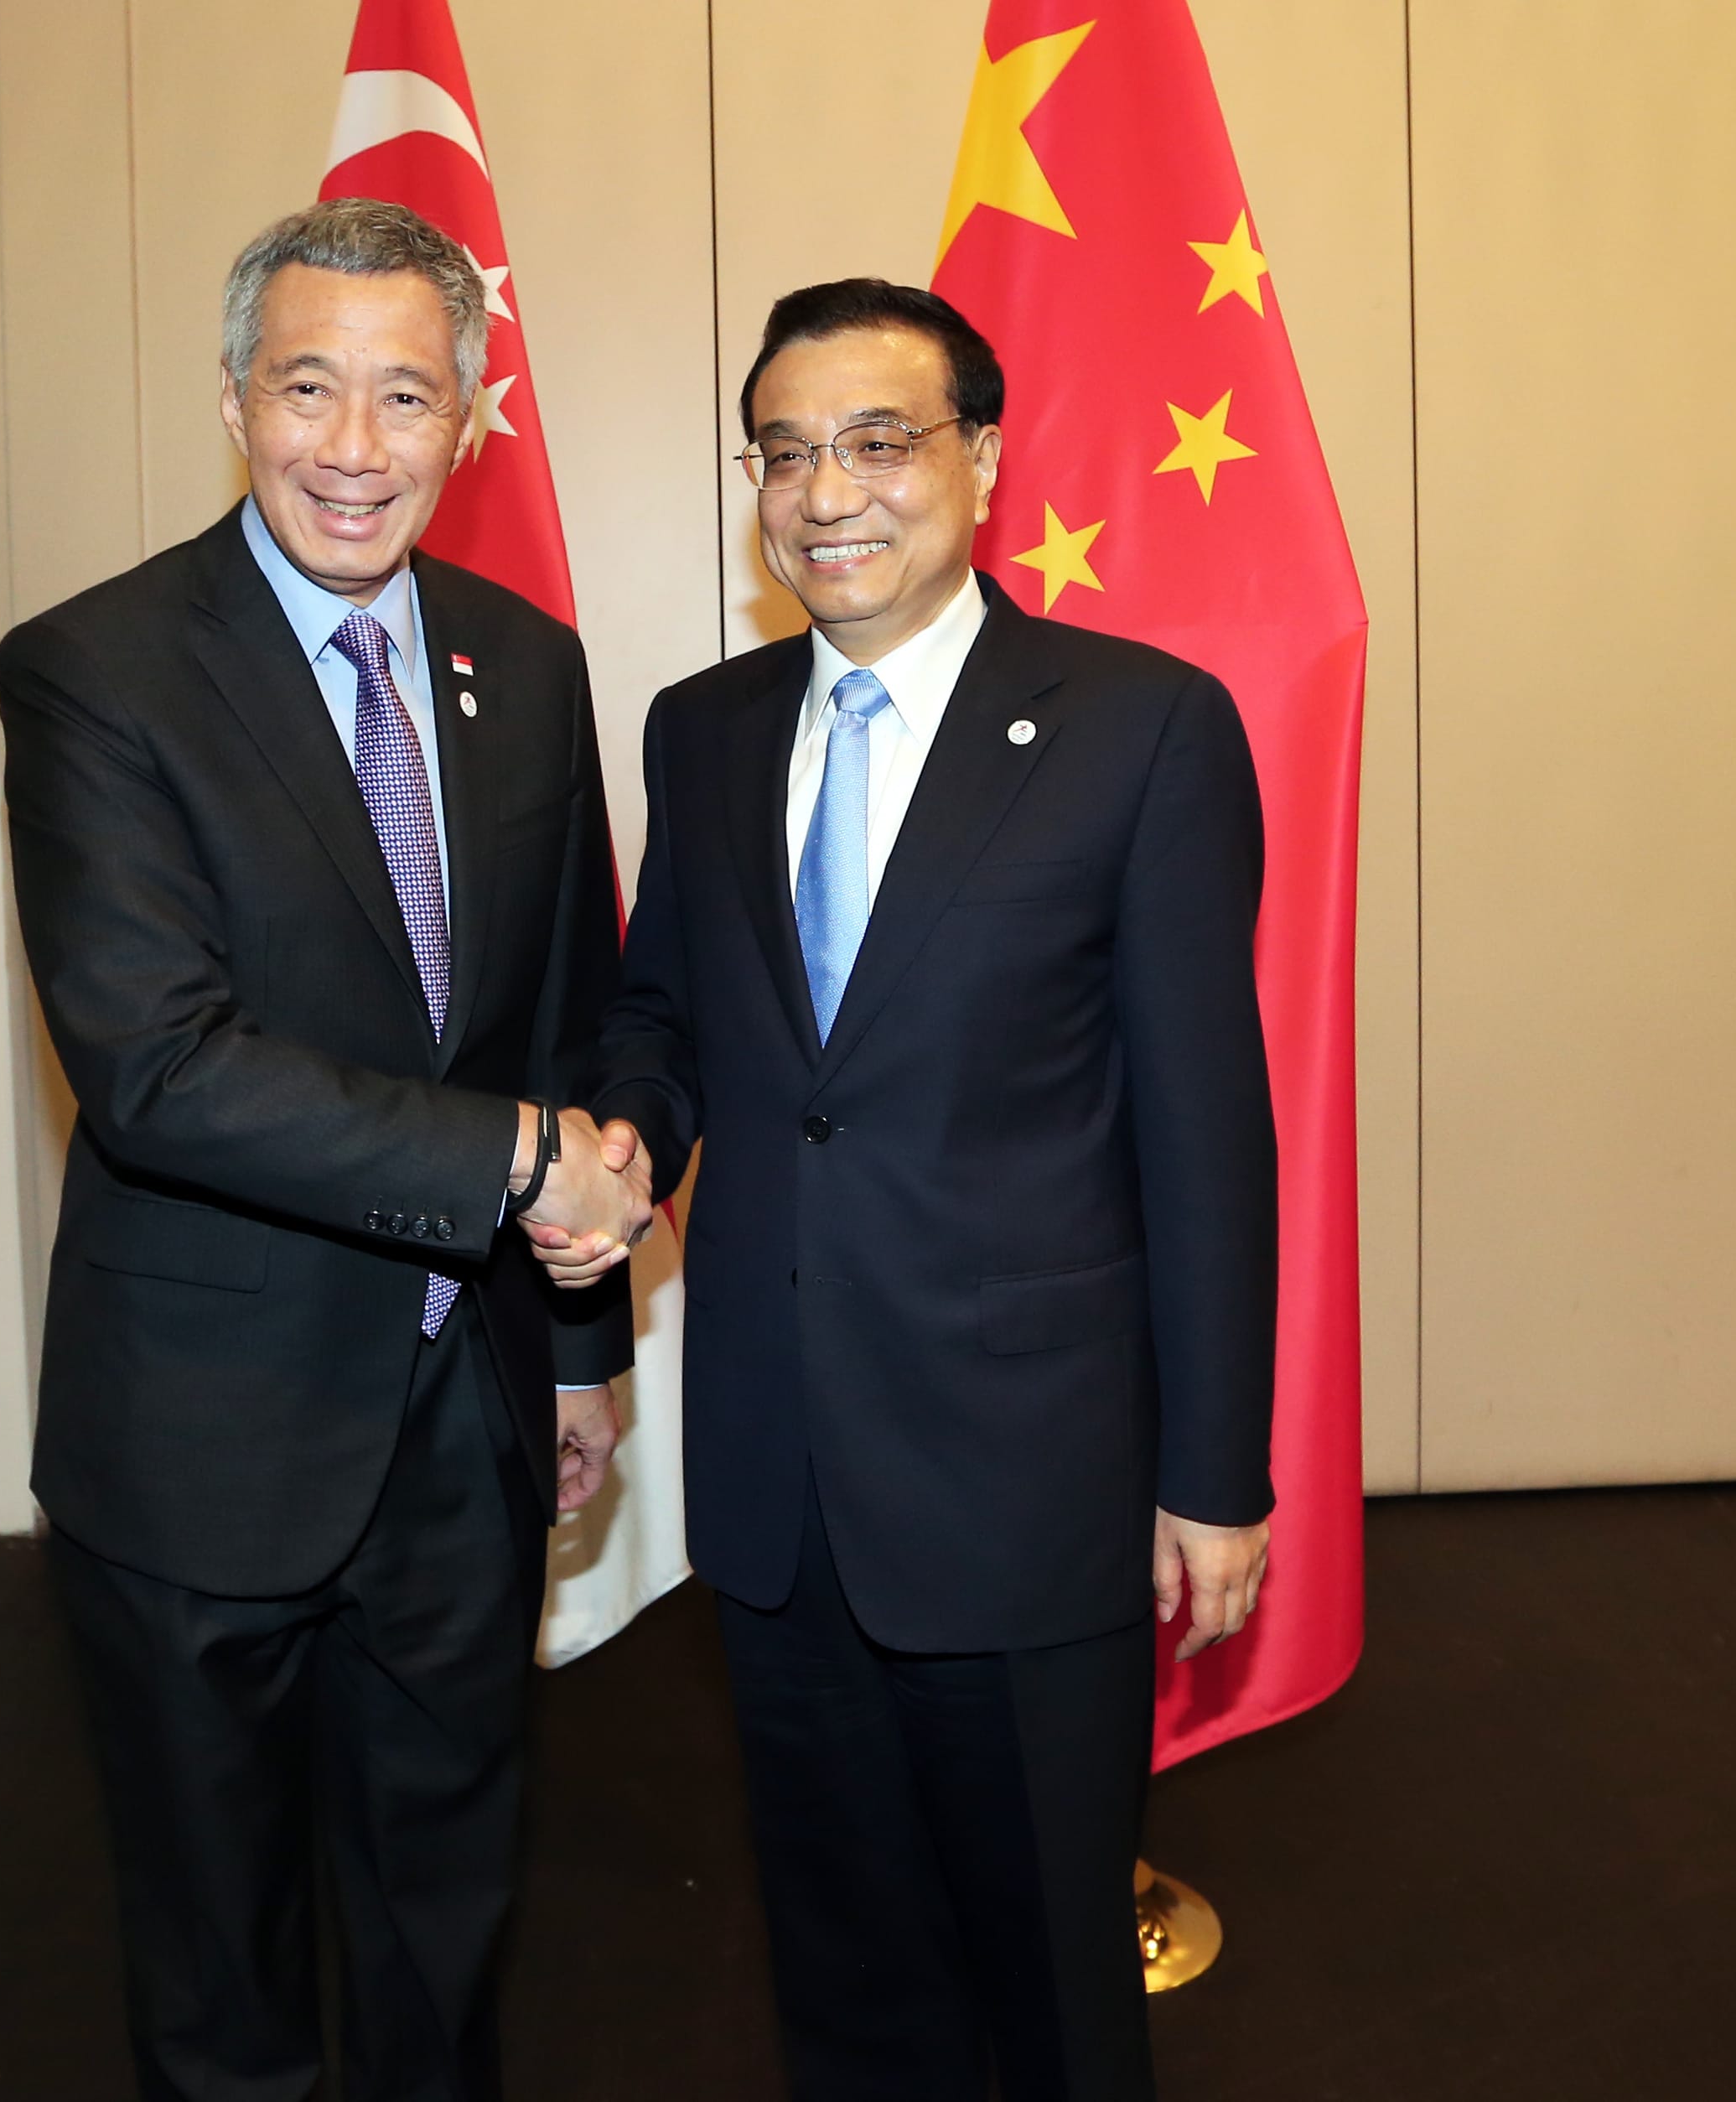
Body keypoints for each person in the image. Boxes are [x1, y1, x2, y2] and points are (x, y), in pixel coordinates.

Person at [561, 281, 1280, 2100]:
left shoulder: (1142, 728)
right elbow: (668, 1015)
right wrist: (627, 1138)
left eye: (878, 442)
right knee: (845, 1970)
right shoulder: (702, 732)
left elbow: (1207, 1127)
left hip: (1030, 1478)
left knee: (1045, 1978)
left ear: (978, 456)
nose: (828, 494)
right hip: (784, 1475)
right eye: (786, 453)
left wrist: (1213, 1471)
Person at [0, 198, 641, 2101]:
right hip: (205, 1428)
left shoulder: (525, 666)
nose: (353, 449)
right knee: (222, 1960)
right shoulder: (98, 669)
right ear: (231, 397)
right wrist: (525, 1166)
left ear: (470, 419)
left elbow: (568, 1016)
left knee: (447, 1925)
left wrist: (585, 1349)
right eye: (306, 389)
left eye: (405, 398)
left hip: (470, 1423)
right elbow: (160, 1070)